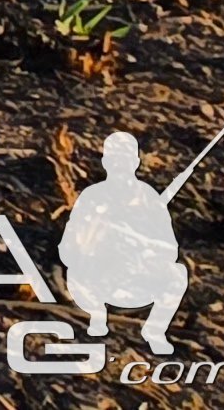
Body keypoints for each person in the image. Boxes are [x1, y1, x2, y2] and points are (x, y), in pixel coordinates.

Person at [61, 129, 192, 354]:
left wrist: (145, 248)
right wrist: (95, 243)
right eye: (114, 159)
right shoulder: (92, 197)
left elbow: (170, 249)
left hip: (135, 278)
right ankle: (96, 316)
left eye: (124, 159)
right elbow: (68, 248)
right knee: (75, 273)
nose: (119, 165)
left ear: (135, 162)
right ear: (105, 162)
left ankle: (155, 330)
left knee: (178, 273)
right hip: (96, 278)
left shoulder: (149, 197)